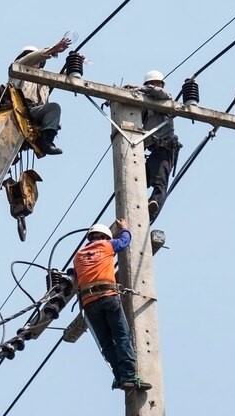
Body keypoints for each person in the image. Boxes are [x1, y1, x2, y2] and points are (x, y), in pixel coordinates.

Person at [73, 219, 152, 391]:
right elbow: (124, 242)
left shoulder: (78, 256)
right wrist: (124, 228)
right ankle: (129, 375)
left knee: (107, 343)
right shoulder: (106, 245)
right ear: (104, 236)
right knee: (122, 336)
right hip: (107, 296)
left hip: (89, 303)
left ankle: (119, 376)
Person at [0, 37, 72, 155]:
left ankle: (46, 142)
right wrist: (53, 50)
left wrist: (74, 63)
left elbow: (64, 78)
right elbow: (30, 58)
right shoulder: (18, 67)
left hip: (34, 113)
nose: (34, 59)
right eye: (29, 56)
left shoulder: (45, 78)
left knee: (54, 108)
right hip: (16, 110)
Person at [131, 70, 182, 220]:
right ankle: (136, 208)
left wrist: (138, 88)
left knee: (160, 183)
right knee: (136, 180)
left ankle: (153, 206)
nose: (154, 86)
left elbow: (160, 93)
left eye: (156, 83)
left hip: (165, 150)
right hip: (152, 152)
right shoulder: (145, 107)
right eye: (151, 83)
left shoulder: (165, 99)